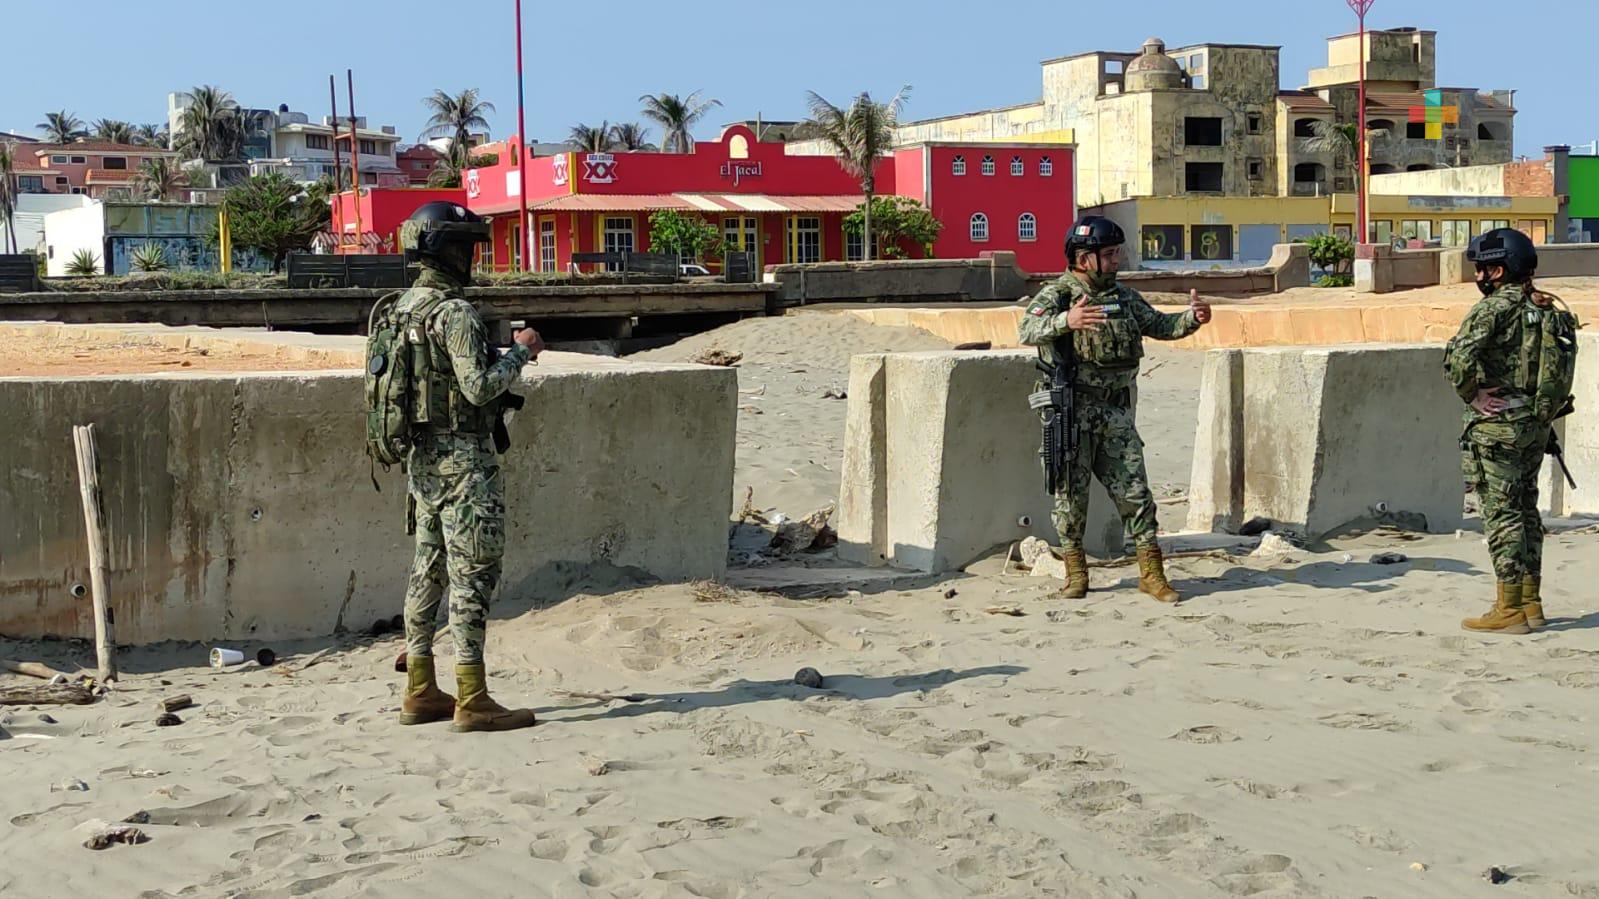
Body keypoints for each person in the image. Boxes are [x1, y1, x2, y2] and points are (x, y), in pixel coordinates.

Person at [393, 201, 545, 731]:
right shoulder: (454, 313)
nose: (472, 257)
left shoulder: (400, 308)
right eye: (467, 247)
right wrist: (521, 352)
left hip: (422, 462)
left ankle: (418, 688)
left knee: (427, 569)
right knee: (471, 575)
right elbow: (477, 387)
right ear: (448, 251)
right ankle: (472, 697)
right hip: (464, 463)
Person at [1019, 216, 1211, 602]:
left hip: (1114, 414)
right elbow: (1026, 330)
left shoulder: (1124, 298)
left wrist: (1194, 319)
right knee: (1070, 501)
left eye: (1116, 254)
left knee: (1136, 494)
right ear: (1083, 258)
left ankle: (1152, 574)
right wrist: (1065, 321)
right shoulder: (1058, 294)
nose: (1115, 262)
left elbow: (1160, 325)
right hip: (1071, 413)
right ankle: (1076, 576)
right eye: (1108, 255)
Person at [1445, 227, 1567, 634]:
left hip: (1499, 428)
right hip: (1537, 425)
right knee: (1528, 512)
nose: (1479, 276)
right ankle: (1532, 603)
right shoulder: (1546, 307)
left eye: (1482, 269)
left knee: (1503, 516)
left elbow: (1459, 357)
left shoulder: (1495, 309)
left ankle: (1508, 608)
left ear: (1498, 271)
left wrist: (1471, 394)